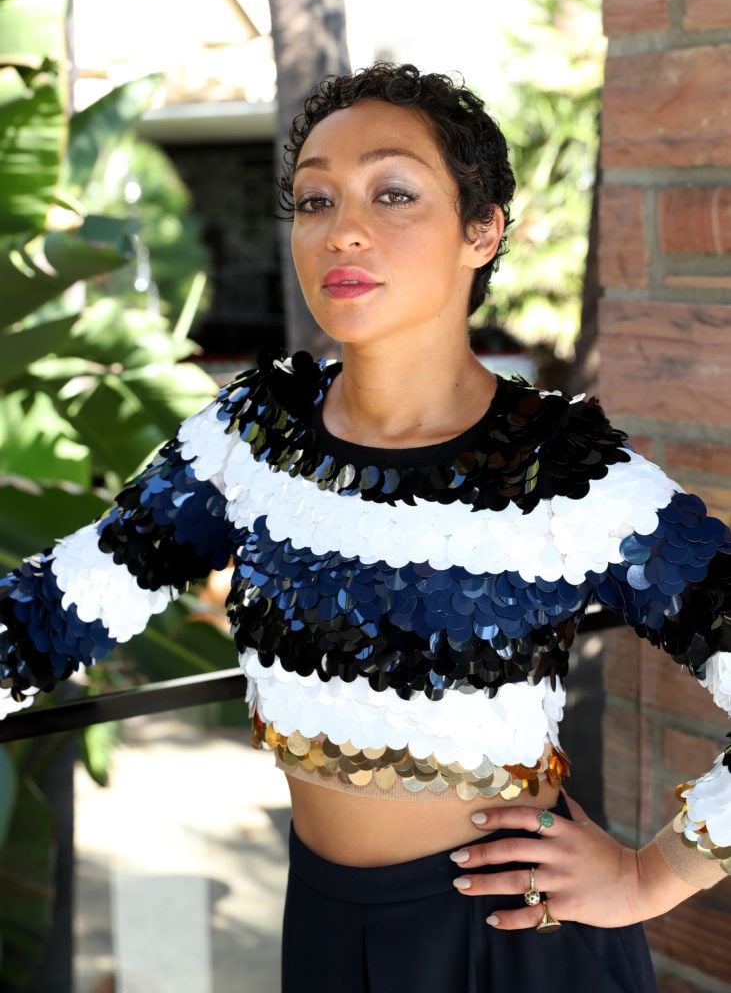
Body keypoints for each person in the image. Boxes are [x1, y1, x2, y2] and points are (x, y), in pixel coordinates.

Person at [1, 63, 729, 992]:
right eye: (313, 198)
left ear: (482, 230)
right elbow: (59, 606)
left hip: (511, 938)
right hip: (321, 928)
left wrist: (647, 878)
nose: (342, 227)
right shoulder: (252, 433)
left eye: (393, 192)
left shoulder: (559, 468)